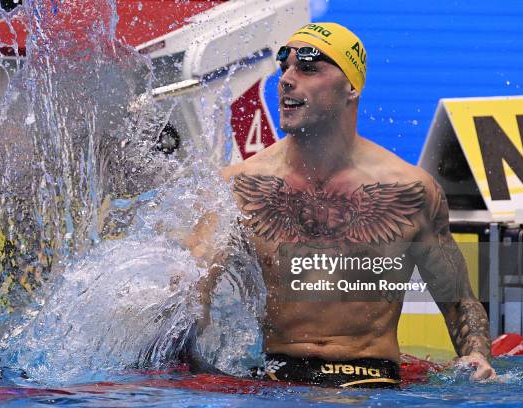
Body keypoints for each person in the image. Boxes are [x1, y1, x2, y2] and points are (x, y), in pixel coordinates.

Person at [188, 22, 495, 388]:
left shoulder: (411, 190)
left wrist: (476, 355)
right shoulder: (237, 187)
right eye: (284, 65)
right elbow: (189, 304)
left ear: (352, 87)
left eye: (308, 68)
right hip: (276, 382)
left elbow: (459, 302)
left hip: (375, 382)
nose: (286, 79)